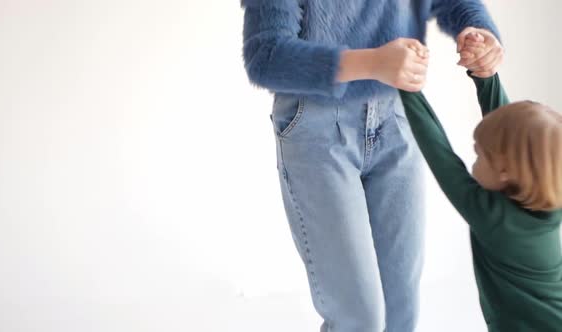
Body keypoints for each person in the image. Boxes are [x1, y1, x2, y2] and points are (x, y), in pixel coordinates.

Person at [241, 1, 503, 331]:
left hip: (397, 114)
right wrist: (372, 63)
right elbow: (264, 57)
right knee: (359, 317)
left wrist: (477, 31)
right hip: (317, 127)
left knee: (400, 311)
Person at [400, 67, 562, 331]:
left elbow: (439, 154)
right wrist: (485, 76)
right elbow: (512, 136)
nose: (473, 162)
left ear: (505, 171)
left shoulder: (492, 217)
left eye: (480, 155)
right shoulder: (550, 206)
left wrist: (407, 86)